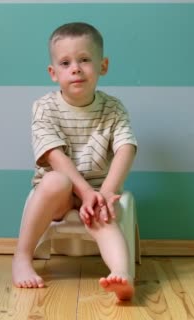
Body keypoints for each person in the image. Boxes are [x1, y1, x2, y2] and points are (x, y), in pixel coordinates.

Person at [11, 22, 138, 301]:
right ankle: (22, 258)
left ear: (103, 66)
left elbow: (126, 147)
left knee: (103, 218)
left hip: (96, 190)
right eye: (66, 63)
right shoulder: (44, 107)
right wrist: (85, 191)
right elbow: (54, 155)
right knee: (57, 180)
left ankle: (121, 274)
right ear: (53, 73)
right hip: (59, 194)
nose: (76, 69)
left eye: (84, 60)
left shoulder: (113, 108)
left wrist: (104, 192)